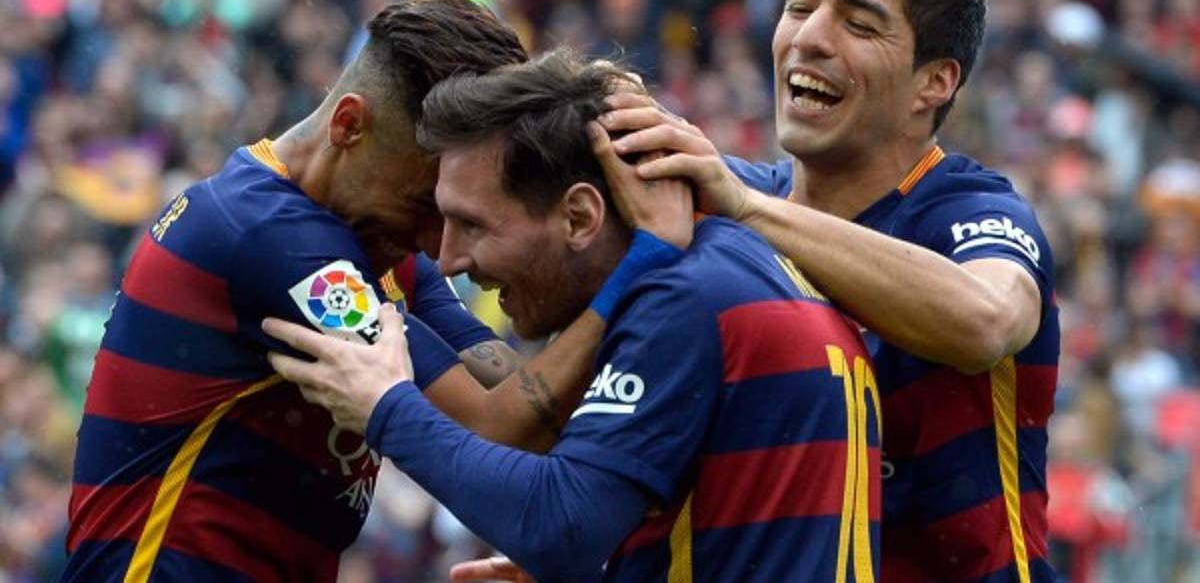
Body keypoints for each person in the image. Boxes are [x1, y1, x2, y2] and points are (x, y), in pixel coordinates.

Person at [63, 0, 677, 582]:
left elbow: (518, 395)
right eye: (424, 204)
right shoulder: (271, 240)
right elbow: (499, 426)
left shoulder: (372, 241)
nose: (439, 247)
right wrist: (648, 262)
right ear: (349, 124)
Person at [263, 50, 882, 582]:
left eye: (472, 224)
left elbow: (560, 526)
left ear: (580, 217)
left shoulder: (683, 298)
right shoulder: (735, 259)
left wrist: (386, 407)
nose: (448, 259)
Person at [598, 0, 1060, 581]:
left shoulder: (969, 212)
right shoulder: (715, 202)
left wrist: (747, 209)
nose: (810, 37)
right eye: (798, 6)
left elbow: (986, 321)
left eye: (860, 25)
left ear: (934, 82)